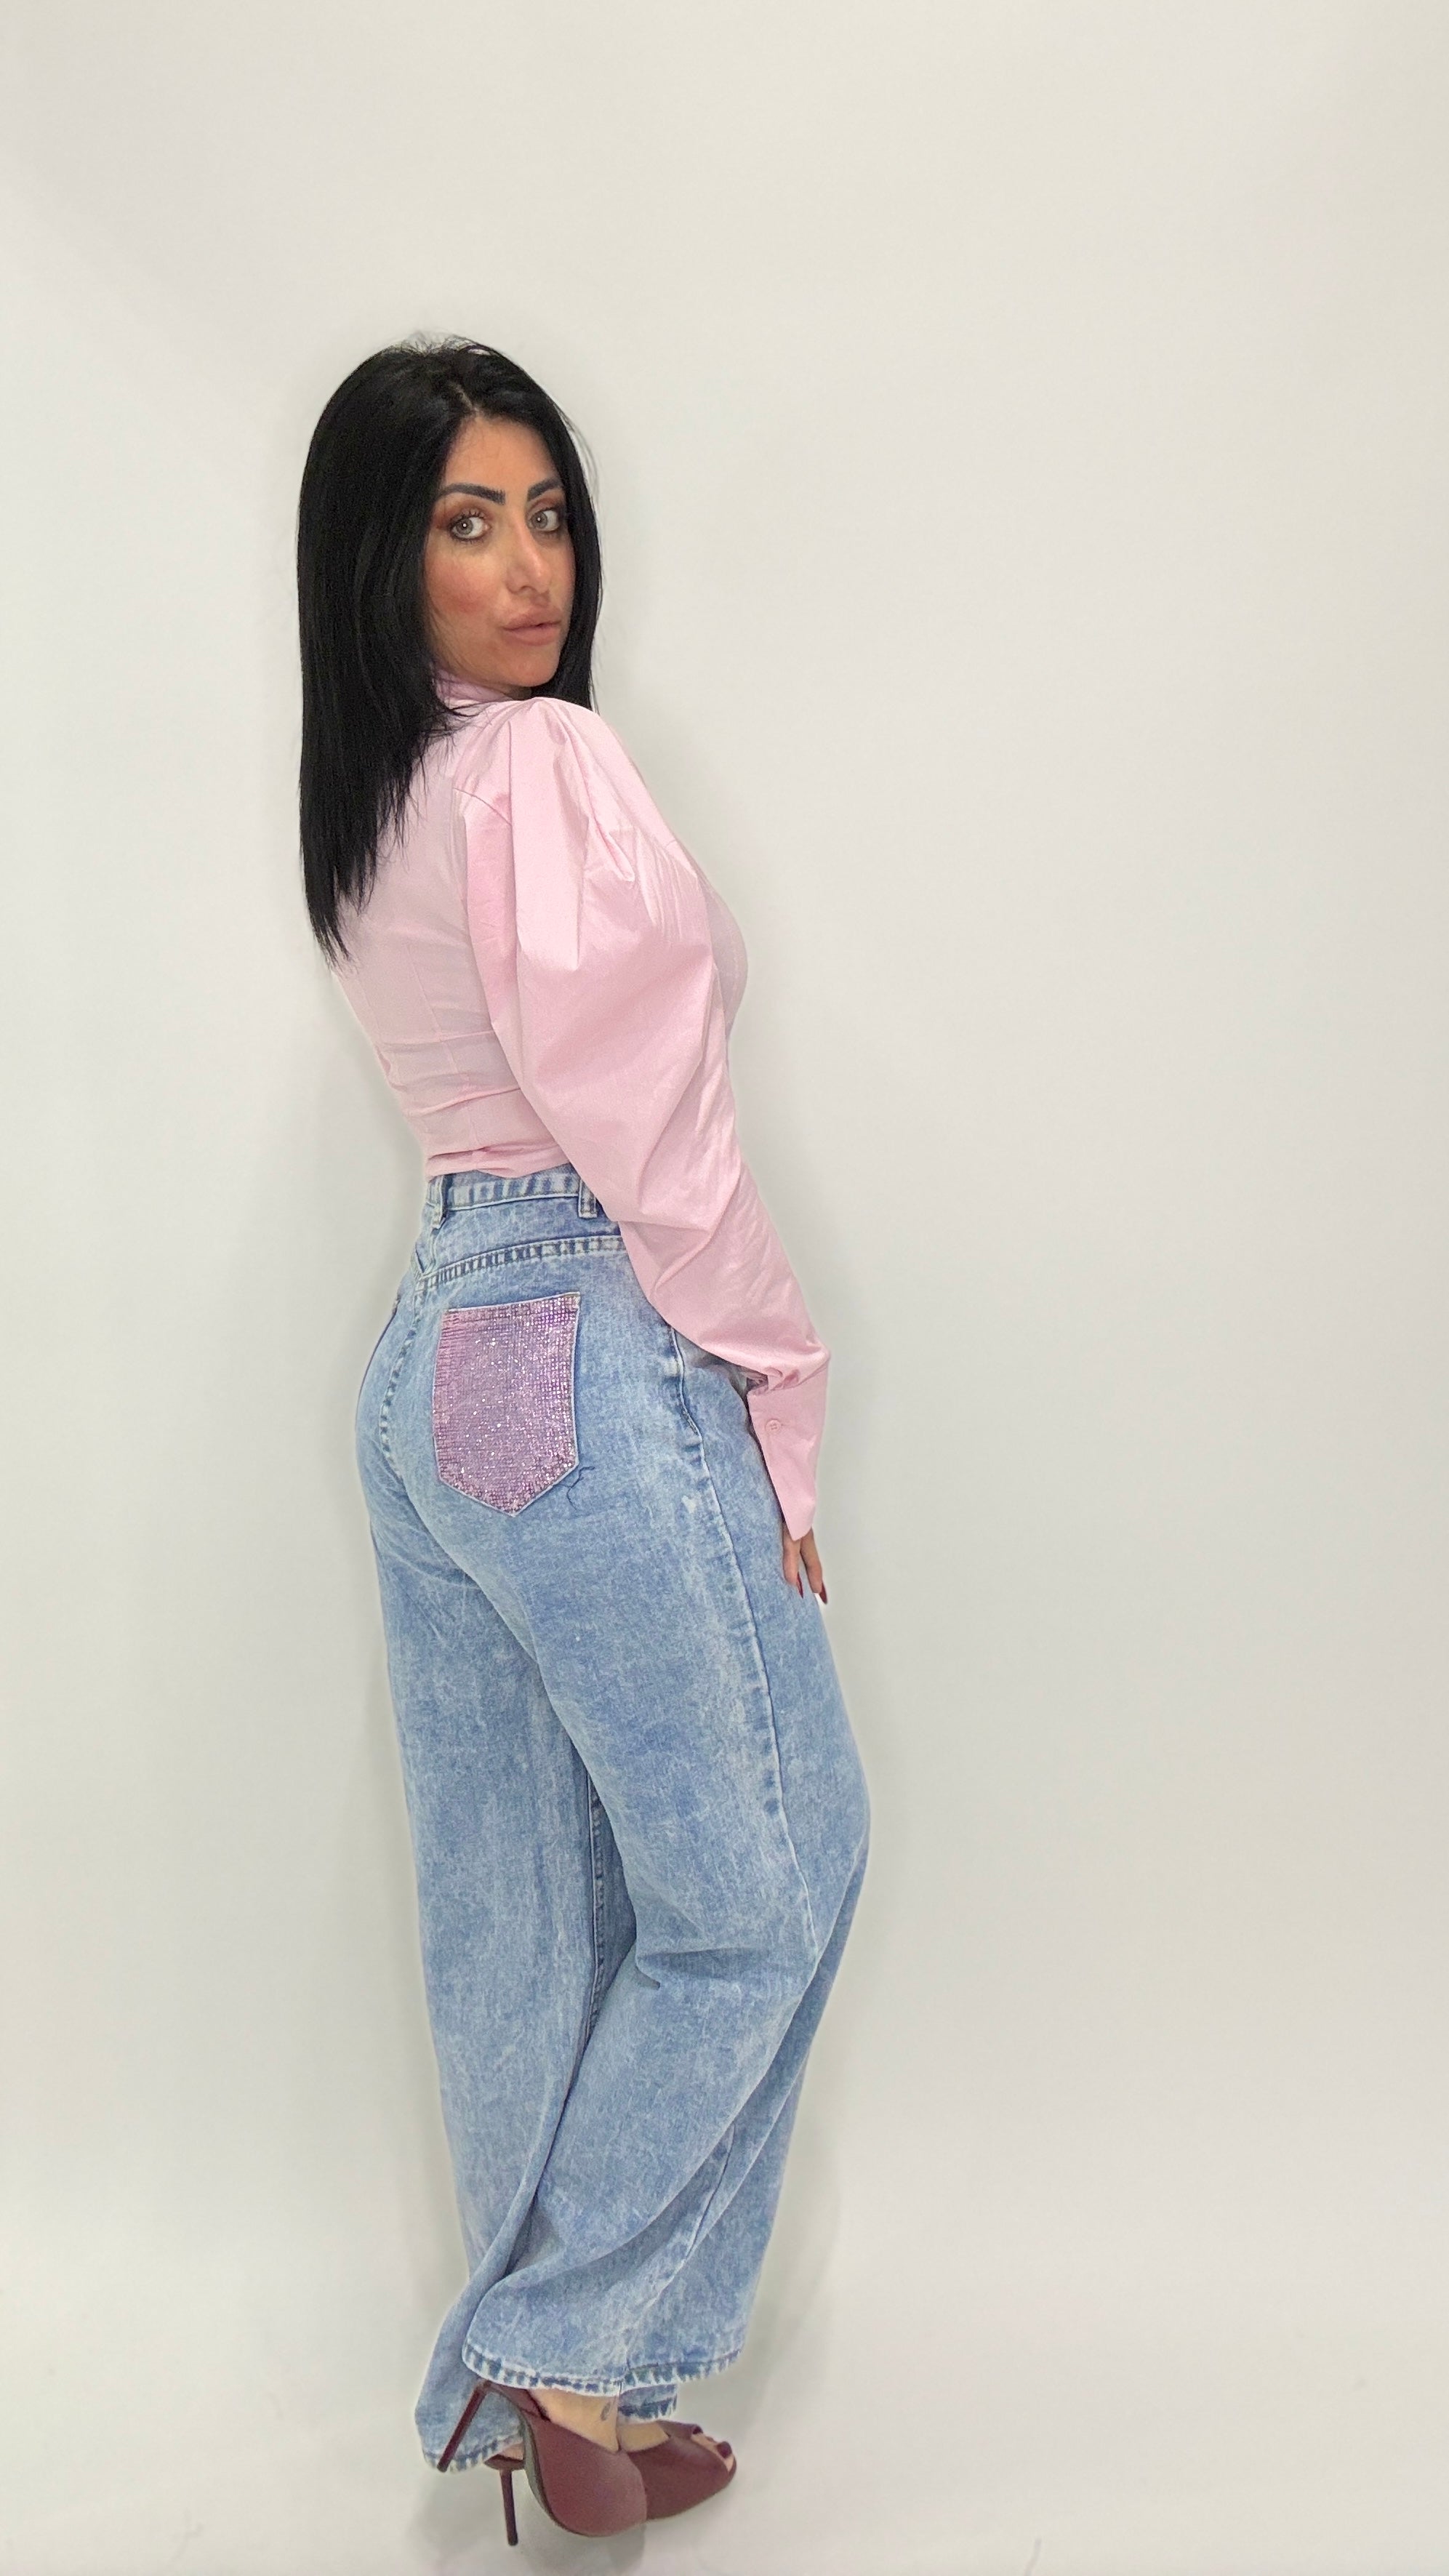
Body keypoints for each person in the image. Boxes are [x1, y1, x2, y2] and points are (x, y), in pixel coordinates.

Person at [295, 337, 870, 2545]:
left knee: (529, 1915)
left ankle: (582, 2410)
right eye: (467, 523)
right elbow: (654, 1141)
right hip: (583, 1327)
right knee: (768, 1877)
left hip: (435, 1364)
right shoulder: (539, 763)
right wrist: (777, 1389)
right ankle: (551, 2346)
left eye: (546, 514)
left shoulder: (375, 795)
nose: (527, 567)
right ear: (383, 557)